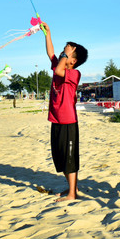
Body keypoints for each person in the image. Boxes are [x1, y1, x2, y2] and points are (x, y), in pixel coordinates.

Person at [41, 21, 88, 202]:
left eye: (67, 55)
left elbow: (60, 67)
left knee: (70, 158)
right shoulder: (59, 66)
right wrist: (48, 34)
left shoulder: (74, 74)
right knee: (60, 156)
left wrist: (65, 55)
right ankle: (71, 189)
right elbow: (51, 54)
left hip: (68, 121)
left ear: (73, 61)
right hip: (56, 119)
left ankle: (72, 194)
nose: (62, 55)